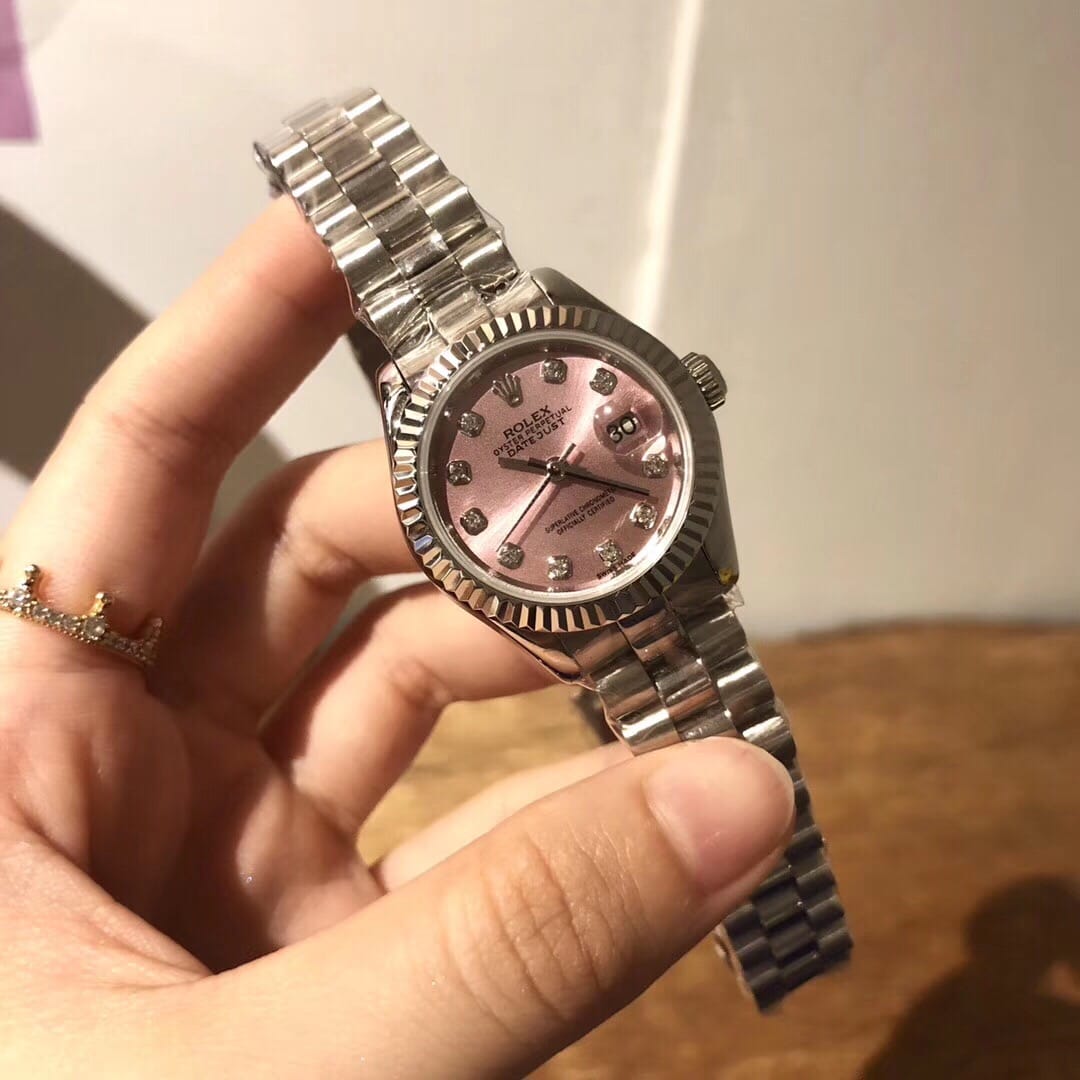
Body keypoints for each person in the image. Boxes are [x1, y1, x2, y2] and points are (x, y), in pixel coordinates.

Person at [0, 199, 794, 1077]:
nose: (568, 463)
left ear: (683, 387)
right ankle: (790, 936)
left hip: (641, 552)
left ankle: (788, 933)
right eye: (544, 467)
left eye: (570, 453)